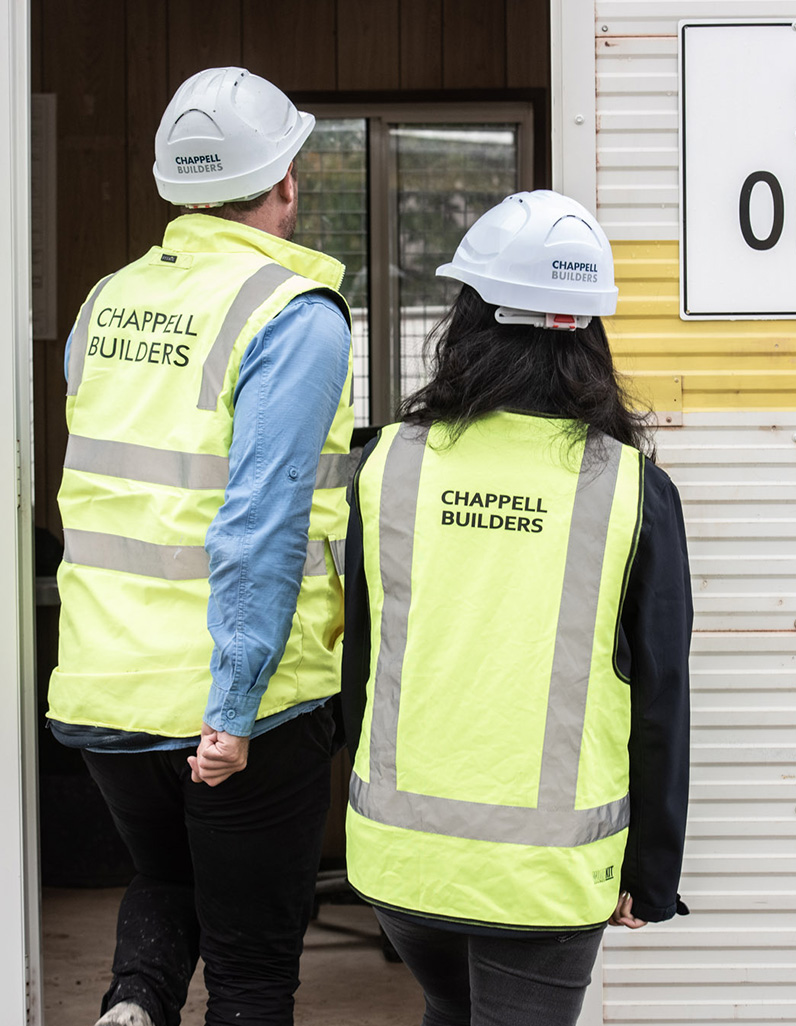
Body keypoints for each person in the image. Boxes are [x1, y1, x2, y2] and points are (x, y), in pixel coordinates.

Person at [46, 67, 353, 1026]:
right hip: (238, 706)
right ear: (287, 181)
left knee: (169, 877)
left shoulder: (107, 301)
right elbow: (259, 522)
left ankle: (133, 1003)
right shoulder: (291, 314)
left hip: (105, 688)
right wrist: (233, 707)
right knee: (254, 967)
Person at [341, 190, 692, 1026]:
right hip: (546, 880)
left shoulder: (389, 462)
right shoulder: (631, 491)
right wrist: (653, 868)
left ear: (467, 319)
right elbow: (660, 696)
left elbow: (362, 659)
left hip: (401, 863)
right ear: (588, 334)